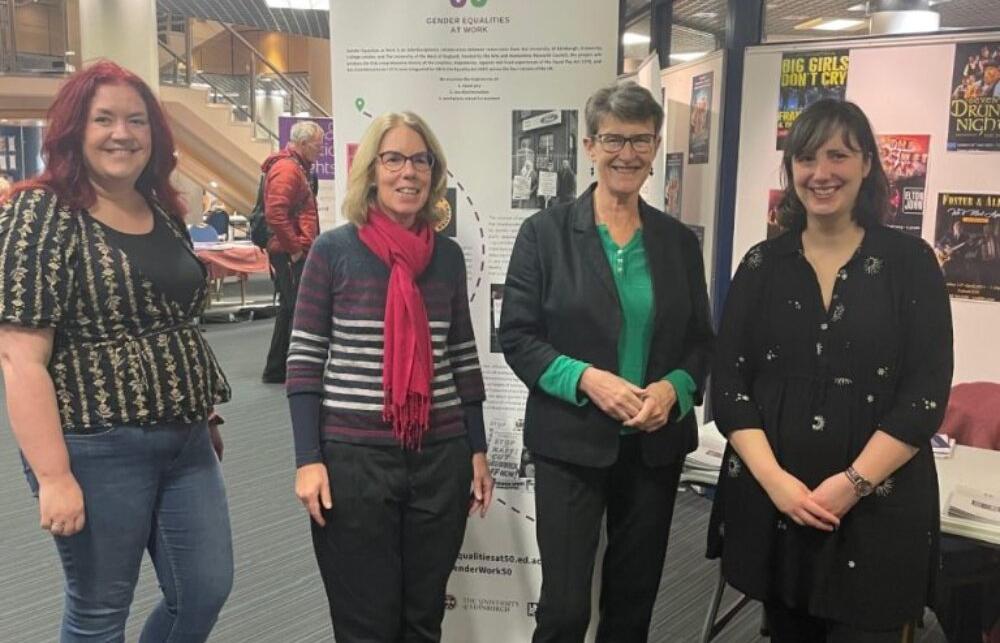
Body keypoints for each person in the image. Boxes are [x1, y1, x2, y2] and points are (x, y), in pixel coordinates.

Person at [0, 61, 233, 642]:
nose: (121, 133)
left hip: (186, 442)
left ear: (154, 135)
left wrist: (201, 408)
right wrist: (54, 476)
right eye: (103, 119)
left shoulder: (162, 210)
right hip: (94, 444)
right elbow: (20, 357)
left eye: (136, 120)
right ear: (74, 130)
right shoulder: (42, 212)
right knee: (101, 611)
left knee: (204, 590)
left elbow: (173, 320)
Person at [707, 99, 953, 642]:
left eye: (838, 155)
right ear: (790, 169)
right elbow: (728, 386)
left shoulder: (911, 265)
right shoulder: (760, 265)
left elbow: (925, 395)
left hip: (878, 512)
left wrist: (851, 484)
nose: (821, 173)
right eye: (806, 158)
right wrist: (777, 485)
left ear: (867, 163)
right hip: (777, 507)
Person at [499, 81, 714, 642]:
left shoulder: (676, 242)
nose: (627, 154)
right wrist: (588, 380)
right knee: (566, 609)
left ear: (656, 146)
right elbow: (518, 336)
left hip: (654, 446)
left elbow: (700, 340)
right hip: (571, 443)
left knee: (631, 604)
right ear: (590, 146)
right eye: (613, 139)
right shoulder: (544, 235)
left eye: (641, 141)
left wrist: (674, 389)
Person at [287, 111, 494, 642]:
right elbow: (305, 361)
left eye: (420, 160)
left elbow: (463, 358)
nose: (408, 172)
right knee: (367, 627)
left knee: (422, 620)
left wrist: (477, 449)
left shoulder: (445, 257)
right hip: (355, 462)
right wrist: (308, 459)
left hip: (440, 458)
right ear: (372, 171)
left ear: (434, 173)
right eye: (394, 158)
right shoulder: (333, 251)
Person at [261, 120, 323, 383]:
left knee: (289, 308)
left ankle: (278, 369)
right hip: (289, 252)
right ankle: (287, 369)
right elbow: (275, 214)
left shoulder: (293, 167)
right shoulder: (288, 169)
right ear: (303, 144)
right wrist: (295, 249)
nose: (320, 151)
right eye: (318, 145)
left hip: (288, 249)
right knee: (296, 308)